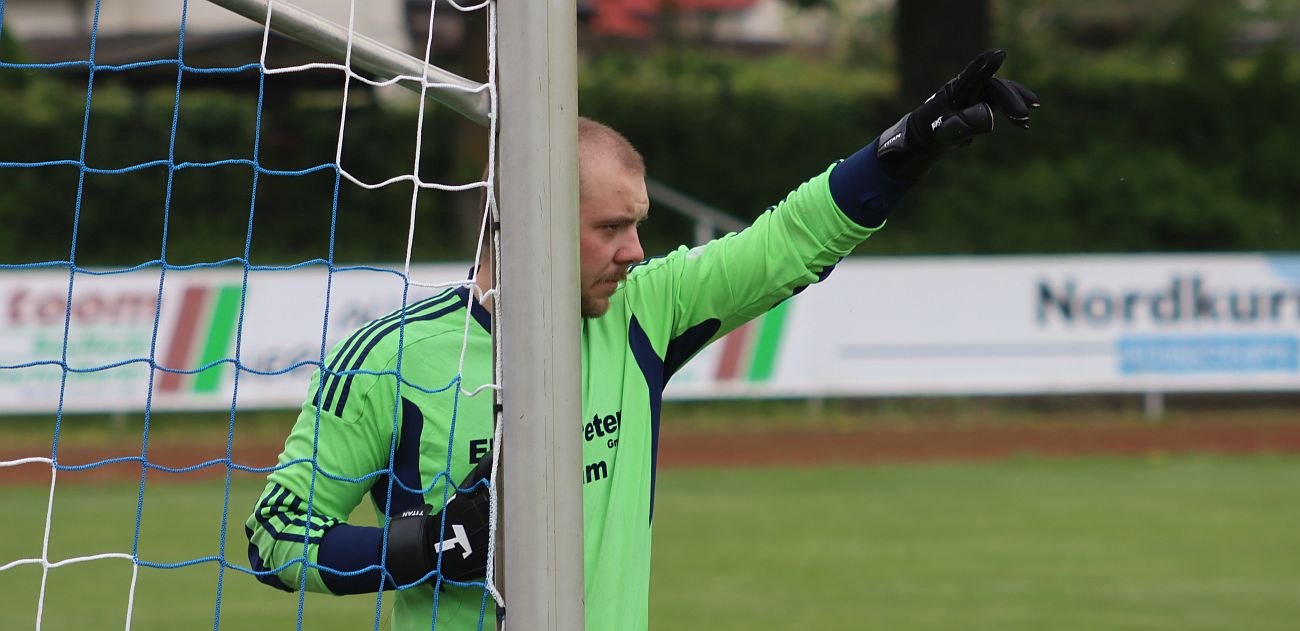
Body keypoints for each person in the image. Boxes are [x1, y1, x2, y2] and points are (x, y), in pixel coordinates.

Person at [246, 49, 1039, 630]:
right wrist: (430, 542)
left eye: (639, 225)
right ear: (526, 215)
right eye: (611, 227)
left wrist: (908, 147)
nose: (635, 251)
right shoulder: (389, 356)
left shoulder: (644, 310)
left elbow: (789, 241)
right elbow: (274, 537)